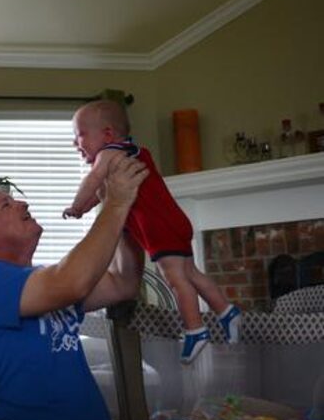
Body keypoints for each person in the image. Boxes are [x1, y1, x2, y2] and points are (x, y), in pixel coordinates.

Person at [0, 153, 148, 420]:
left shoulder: (39, 282)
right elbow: (72, 282)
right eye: (7, 205)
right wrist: (114, 204)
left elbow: (123, 282)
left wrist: (124, 213)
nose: (22, 204)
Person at [62, 99, 241, 364]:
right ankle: (226, 311)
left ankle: (195, 331)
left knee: (176, 280)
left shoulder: (108, 155)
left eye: (80, 136)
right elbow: (102, 195)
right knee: (192, 274)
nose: (75, 144)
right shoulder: (130, 152)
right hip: (175, 220)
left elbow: (92, 182)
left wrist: (76, 206)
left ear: (108, 134)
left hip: (157, 227)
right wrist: (86, 208)